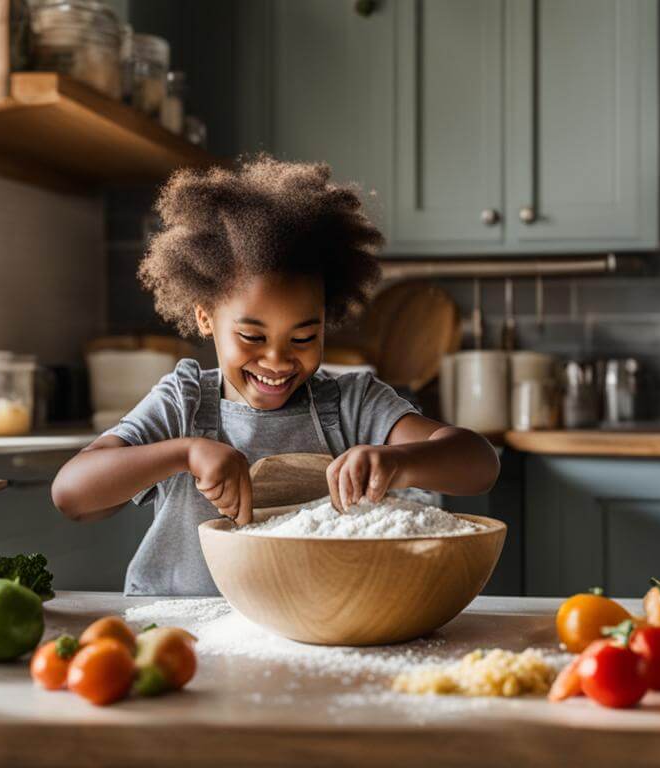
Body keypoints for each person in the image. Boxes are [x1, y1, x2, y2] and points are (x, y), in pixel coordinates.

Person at [51, 156, 500, 596]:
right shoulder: (184, 402)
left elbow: (478, 464)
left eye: (304, 338)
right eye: (251, 336)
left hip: (309, 630)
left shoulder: (352, 404)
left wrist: (399, 463)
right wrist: (184, 453)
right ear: (205, 317)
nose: (278, 361)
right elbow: (72, 495)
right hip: (181, 635)